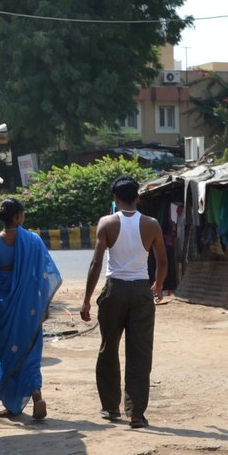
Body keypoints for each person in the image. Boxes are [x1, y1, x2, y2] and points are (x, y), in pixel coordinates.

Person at [81, 176, 168, 428]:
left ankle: (111, 408)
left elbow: (96, 263)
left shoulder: (106, 223)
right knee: (140, 353)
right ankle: (136, 413)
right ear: (137, 197)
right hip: (141, 292)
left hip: (114, 290)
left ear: (115, 199)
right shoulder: (151, 224)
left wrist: (86, 300)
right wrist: (158, 285)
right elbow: (162, 261)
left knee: (108, 348)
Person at [0, 198, 61, 421]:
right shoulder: (33, 241)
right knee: (29, 352)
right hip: (28, 309)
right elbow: (44, 276)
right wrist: (45, 306)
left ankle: (12, 405)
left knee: (5, 354)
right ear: (18, 217)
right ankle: (36, 395)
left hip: (1, 309)